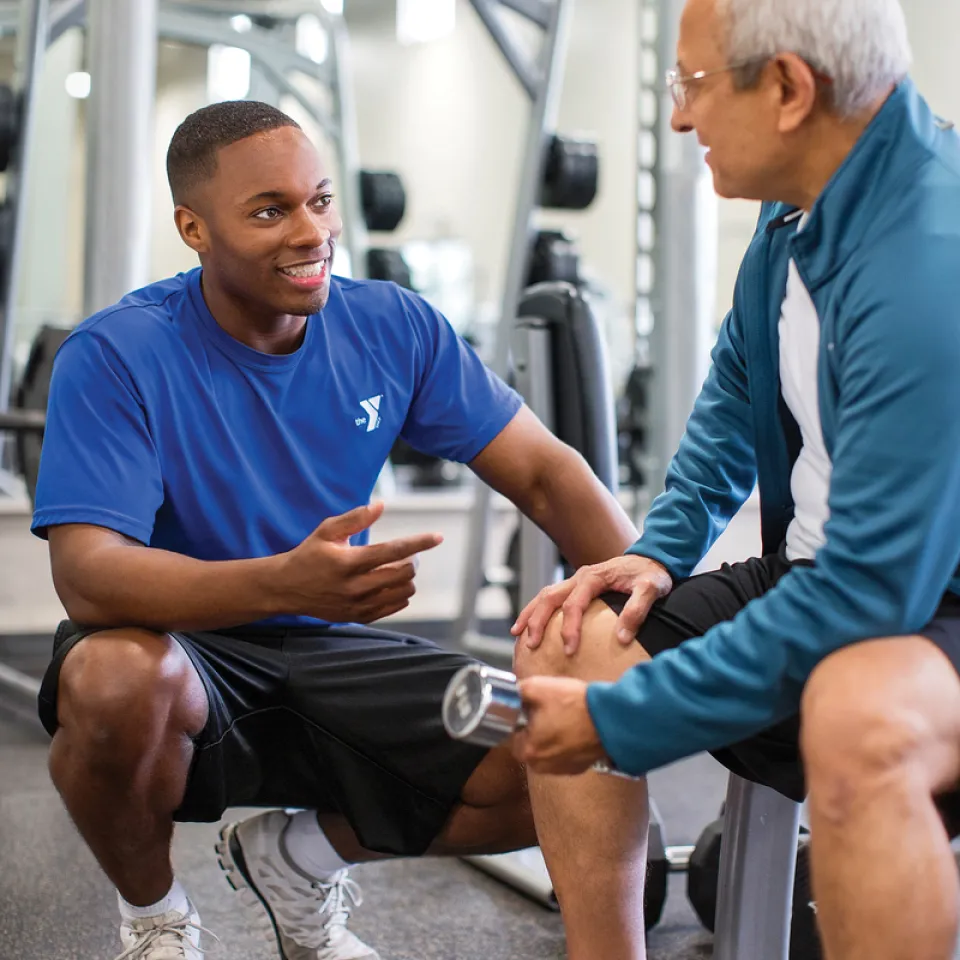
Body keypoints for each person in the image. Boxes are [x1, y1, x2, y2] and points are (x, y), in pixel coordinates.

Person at [31, 101, 641, 960]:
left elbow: (546, 471)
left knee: (559, 746)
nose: (310, 231)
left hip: (333, 647)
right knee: (114, 682)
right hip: (184, 647)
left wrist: (654, 608)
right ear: (193, 227)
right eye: (270, 210)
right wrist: (282, 582)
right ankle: (158, 917)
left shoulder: (392, 325)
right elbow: (89, 576)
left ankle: (298, 858)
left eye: (319, 200)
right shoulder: (118, 353)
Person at [510, 0, 960, 958]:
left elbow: (878, 592)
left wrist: (626, 718)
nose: (681, 117)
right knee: (569, 637)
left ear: (790, 90)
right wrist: (658, 552)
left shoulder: (928, 257)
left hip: (928, 603)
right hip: (830, 580)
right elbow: (737, 389)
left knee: (855, 718)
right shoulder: (795, 209)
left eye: (695, 85)